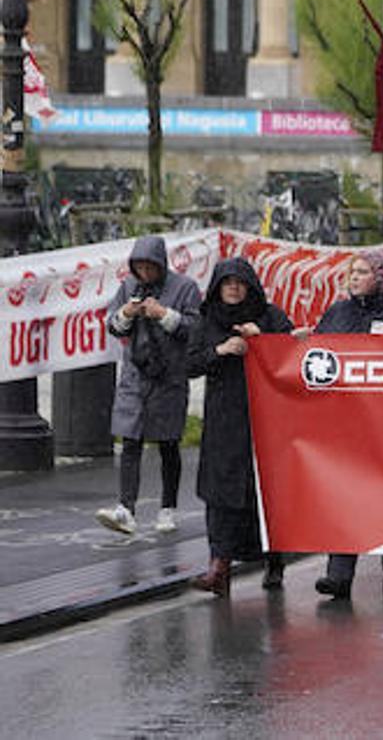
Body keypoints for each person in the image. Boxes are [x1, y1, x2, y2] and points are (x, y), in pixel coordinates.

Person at [306, 252, 383, 599]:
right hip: (346, 425)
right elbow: (316, 359)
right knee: (344, 497)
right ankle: (339, 574)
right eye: (351, 272)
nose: (354, 277)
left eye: (362, 271)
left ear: (382, 276)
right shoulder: (337, 313)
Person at [184, 258, 294, 596]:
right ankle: (219, 566)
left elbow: (292, 355)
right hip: (224, 418)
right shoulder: (206, 322)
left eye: (239, 282)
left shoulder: (269, 315)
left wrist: (259, 341)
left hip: (266, 416)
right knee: (220, 492)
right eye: (227, 282)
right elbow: (189, 364)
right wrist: (220, 350)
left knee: (264, 492)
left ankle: (274, 560)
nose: (233, 288)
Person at [95, 236, 203, 537]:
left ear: (161, 264)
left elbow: (196, 330)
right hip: (134, 377)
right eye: (138, 266)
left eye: (149, 266)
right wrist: (127, 314)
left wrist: (164, 315)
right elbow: (112, 325)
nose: (144, 272)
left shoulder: (185, 288)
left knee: (168, 442)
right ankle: (125, 509)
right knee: (129, 441)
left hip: (169, 379)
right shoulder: (128, 287)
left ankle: (167, 507)